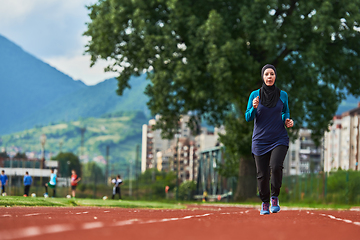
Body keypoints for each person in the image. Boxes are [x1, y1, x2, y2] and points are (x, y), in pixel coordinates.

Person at [245, 64, 294, 215]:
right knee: (262, 174)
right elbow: (248, 117)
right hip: (260, 140)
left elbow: (285, 111)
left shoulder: (283, 95)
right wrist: (253, 107)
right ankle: (265, 202)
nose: (269, 77)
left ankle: (274, 198)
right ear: (263, 77)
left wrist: (287, 121)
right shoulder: (255, 95)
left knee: (276, 166)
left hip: (279, 137)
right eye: (266, 74)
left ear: (275, 76)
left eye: (272, 74)